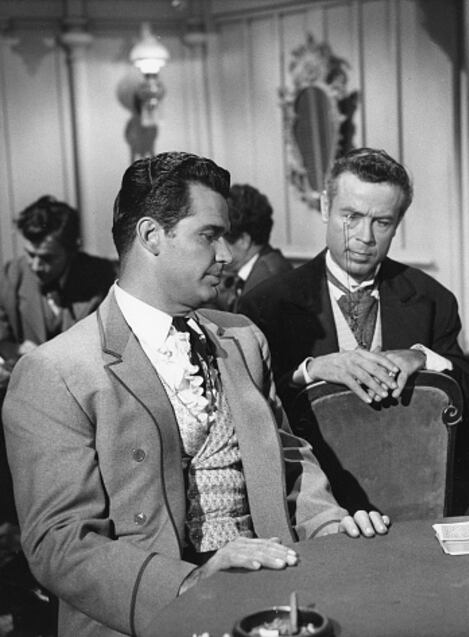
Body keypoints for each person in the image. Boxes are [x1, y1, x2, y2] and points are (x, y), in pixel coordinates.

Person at [2, 152, 389, 637]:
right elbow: (60, 544)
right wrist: (191, 584)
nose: (225, 254)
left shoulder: (242, 337)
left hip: (272, 598)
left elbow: (291, 459)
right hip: (145, 617)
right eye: (209, 235)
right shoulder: (56, 371)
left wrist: (329, 526)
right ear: (151, 236)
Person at [238, 147, 469, 513]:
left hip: (414, 497)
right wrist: (311, 370)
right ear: (325, 207)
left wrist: (425, 359)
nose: (364, 237)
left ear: (398, 223)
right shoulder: (266, 304)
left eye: (382, 222)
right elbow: (251, 418)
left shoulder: (433, 300)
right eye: (351, 217)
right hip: (318, 506)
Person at [0, 195, 116, 377]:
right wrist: (16, 350)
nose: (36, 266)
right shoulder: (8, 277)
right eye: (30, 254)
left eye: (47, 258)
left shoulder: (106, 278)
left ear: (72, 251)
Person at [213, 183, 292, 312]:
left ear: (243, 240)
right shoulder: (266, 265)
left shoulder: (266, 281)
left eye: (218, 240)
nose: (215, 251)